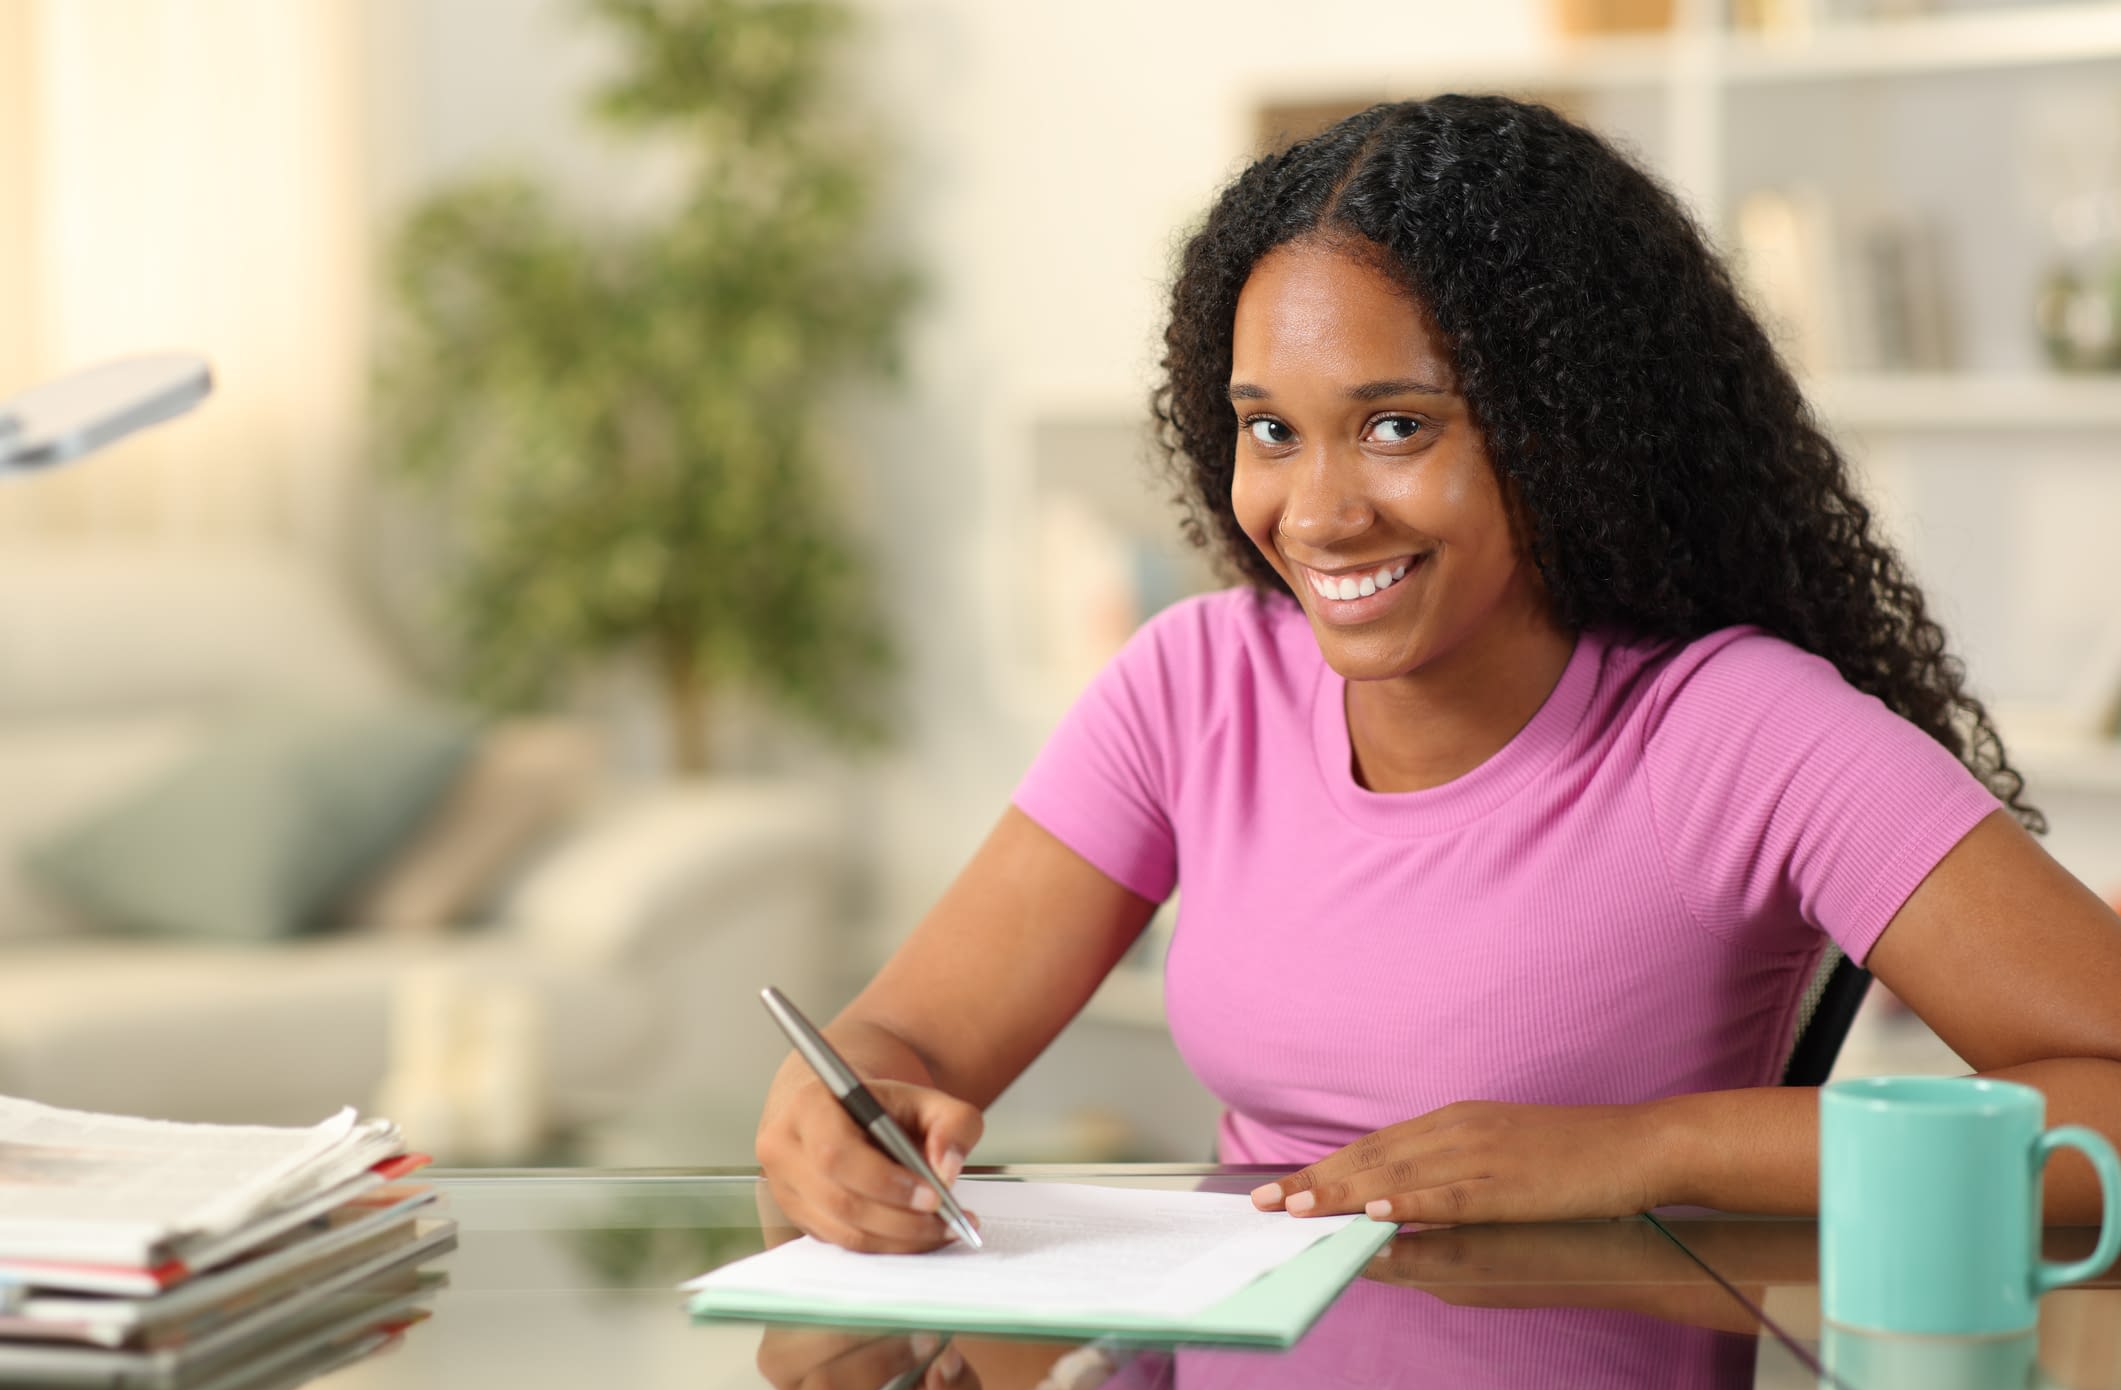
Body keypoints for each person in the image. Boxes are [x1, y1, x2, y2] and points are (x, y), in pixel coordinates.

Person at [754, 94, 2121, 1253]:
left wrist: (1642, 1149)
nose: (1319, 510)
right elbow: (912, 1038)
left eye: (1395, 425)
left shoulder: (1735, 727)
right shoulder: (1191, 684)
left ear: (1561, 430)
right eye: (1271, 430)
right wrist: (850, 1110)